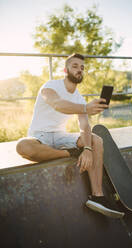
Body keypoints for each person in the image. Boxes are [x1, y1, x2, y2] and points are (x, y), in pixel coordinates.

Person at [16, 53, 124, 218]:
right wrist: (86, 108)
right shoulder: (50, 86)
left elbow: (85, 126)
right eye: (75, 66)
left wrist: (87, 148)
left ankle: (97, 197)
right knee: (22, 146)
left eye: (82, 67)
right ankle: (70, 153)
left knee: (97, 140)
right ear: (65, 70)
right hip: (40, 136)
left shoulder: (79, 97)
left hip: (60, 137)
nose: (79, 70)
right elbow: (58, 104)